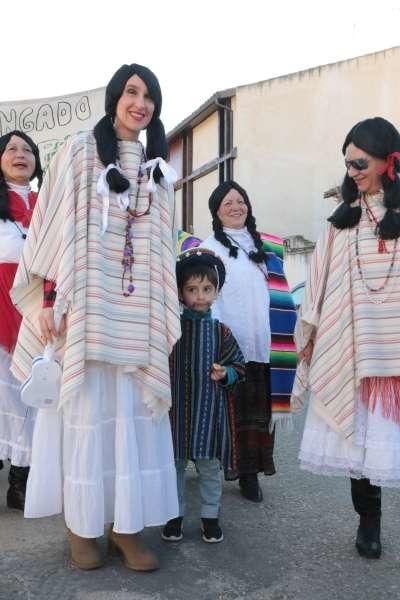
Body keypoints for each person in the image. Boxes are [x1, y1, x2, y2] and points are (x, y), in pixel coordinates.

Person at [10, 64, 181, 571]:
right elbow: (49, 229)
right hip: (86, 313)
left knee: (132, 421)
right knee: (85, 420)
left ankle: (125, 528)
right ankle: (80, 527)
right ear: (114, 98)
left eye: (149, 95)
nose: (141, 102)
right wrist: (46, 299)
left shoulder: (158, 168)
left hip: (138, 320)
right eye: (132, 91)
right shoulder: (81, 151)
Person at [292, 117, 400, 560]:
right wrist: (312, 335)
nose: (353, 171)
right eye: (348, 164)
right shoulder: (339, 224)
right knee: (360, 446)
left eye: (360, 161)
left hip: (395, 354)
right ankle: (368, 522)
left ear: (388, 160)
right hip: (353, 355)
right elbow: (317, 286)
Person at [202, 181, 297, 502]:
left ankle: (253, 472)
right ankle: (229, 473)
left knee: (260, 415)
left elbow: (280, 295)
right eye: (227, 203)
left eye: (240, 201)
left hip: (266, 345)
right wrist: (215, 338)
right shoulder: (209, 248)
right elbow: (206, 296)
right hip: (231, 346)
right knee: (234, 415)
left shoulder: (267, 247)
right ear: (216, 211)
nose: (235, 207)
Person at [162, 248, 244, 543]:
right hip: (175, 414)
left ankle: (210, 517)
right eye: (192, 289)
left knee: (210, 468)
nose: (200, 296)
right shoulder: (170, 329)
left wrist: (227, 373)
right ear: (181, 293)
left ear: (216, 291)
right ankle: (174, 516)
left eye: (207, 289)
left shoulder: (221, 332)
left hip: (209, 414)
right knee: (174, 466)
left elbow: (239, 365)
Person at [0, 130, 42, 510]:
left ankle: (20, 484)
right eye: (11, 148)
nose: (19, 154)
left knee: (29, 401)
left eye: (27, 149)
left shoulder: (49, 206)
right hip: (0, 315)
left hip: (36, 316)